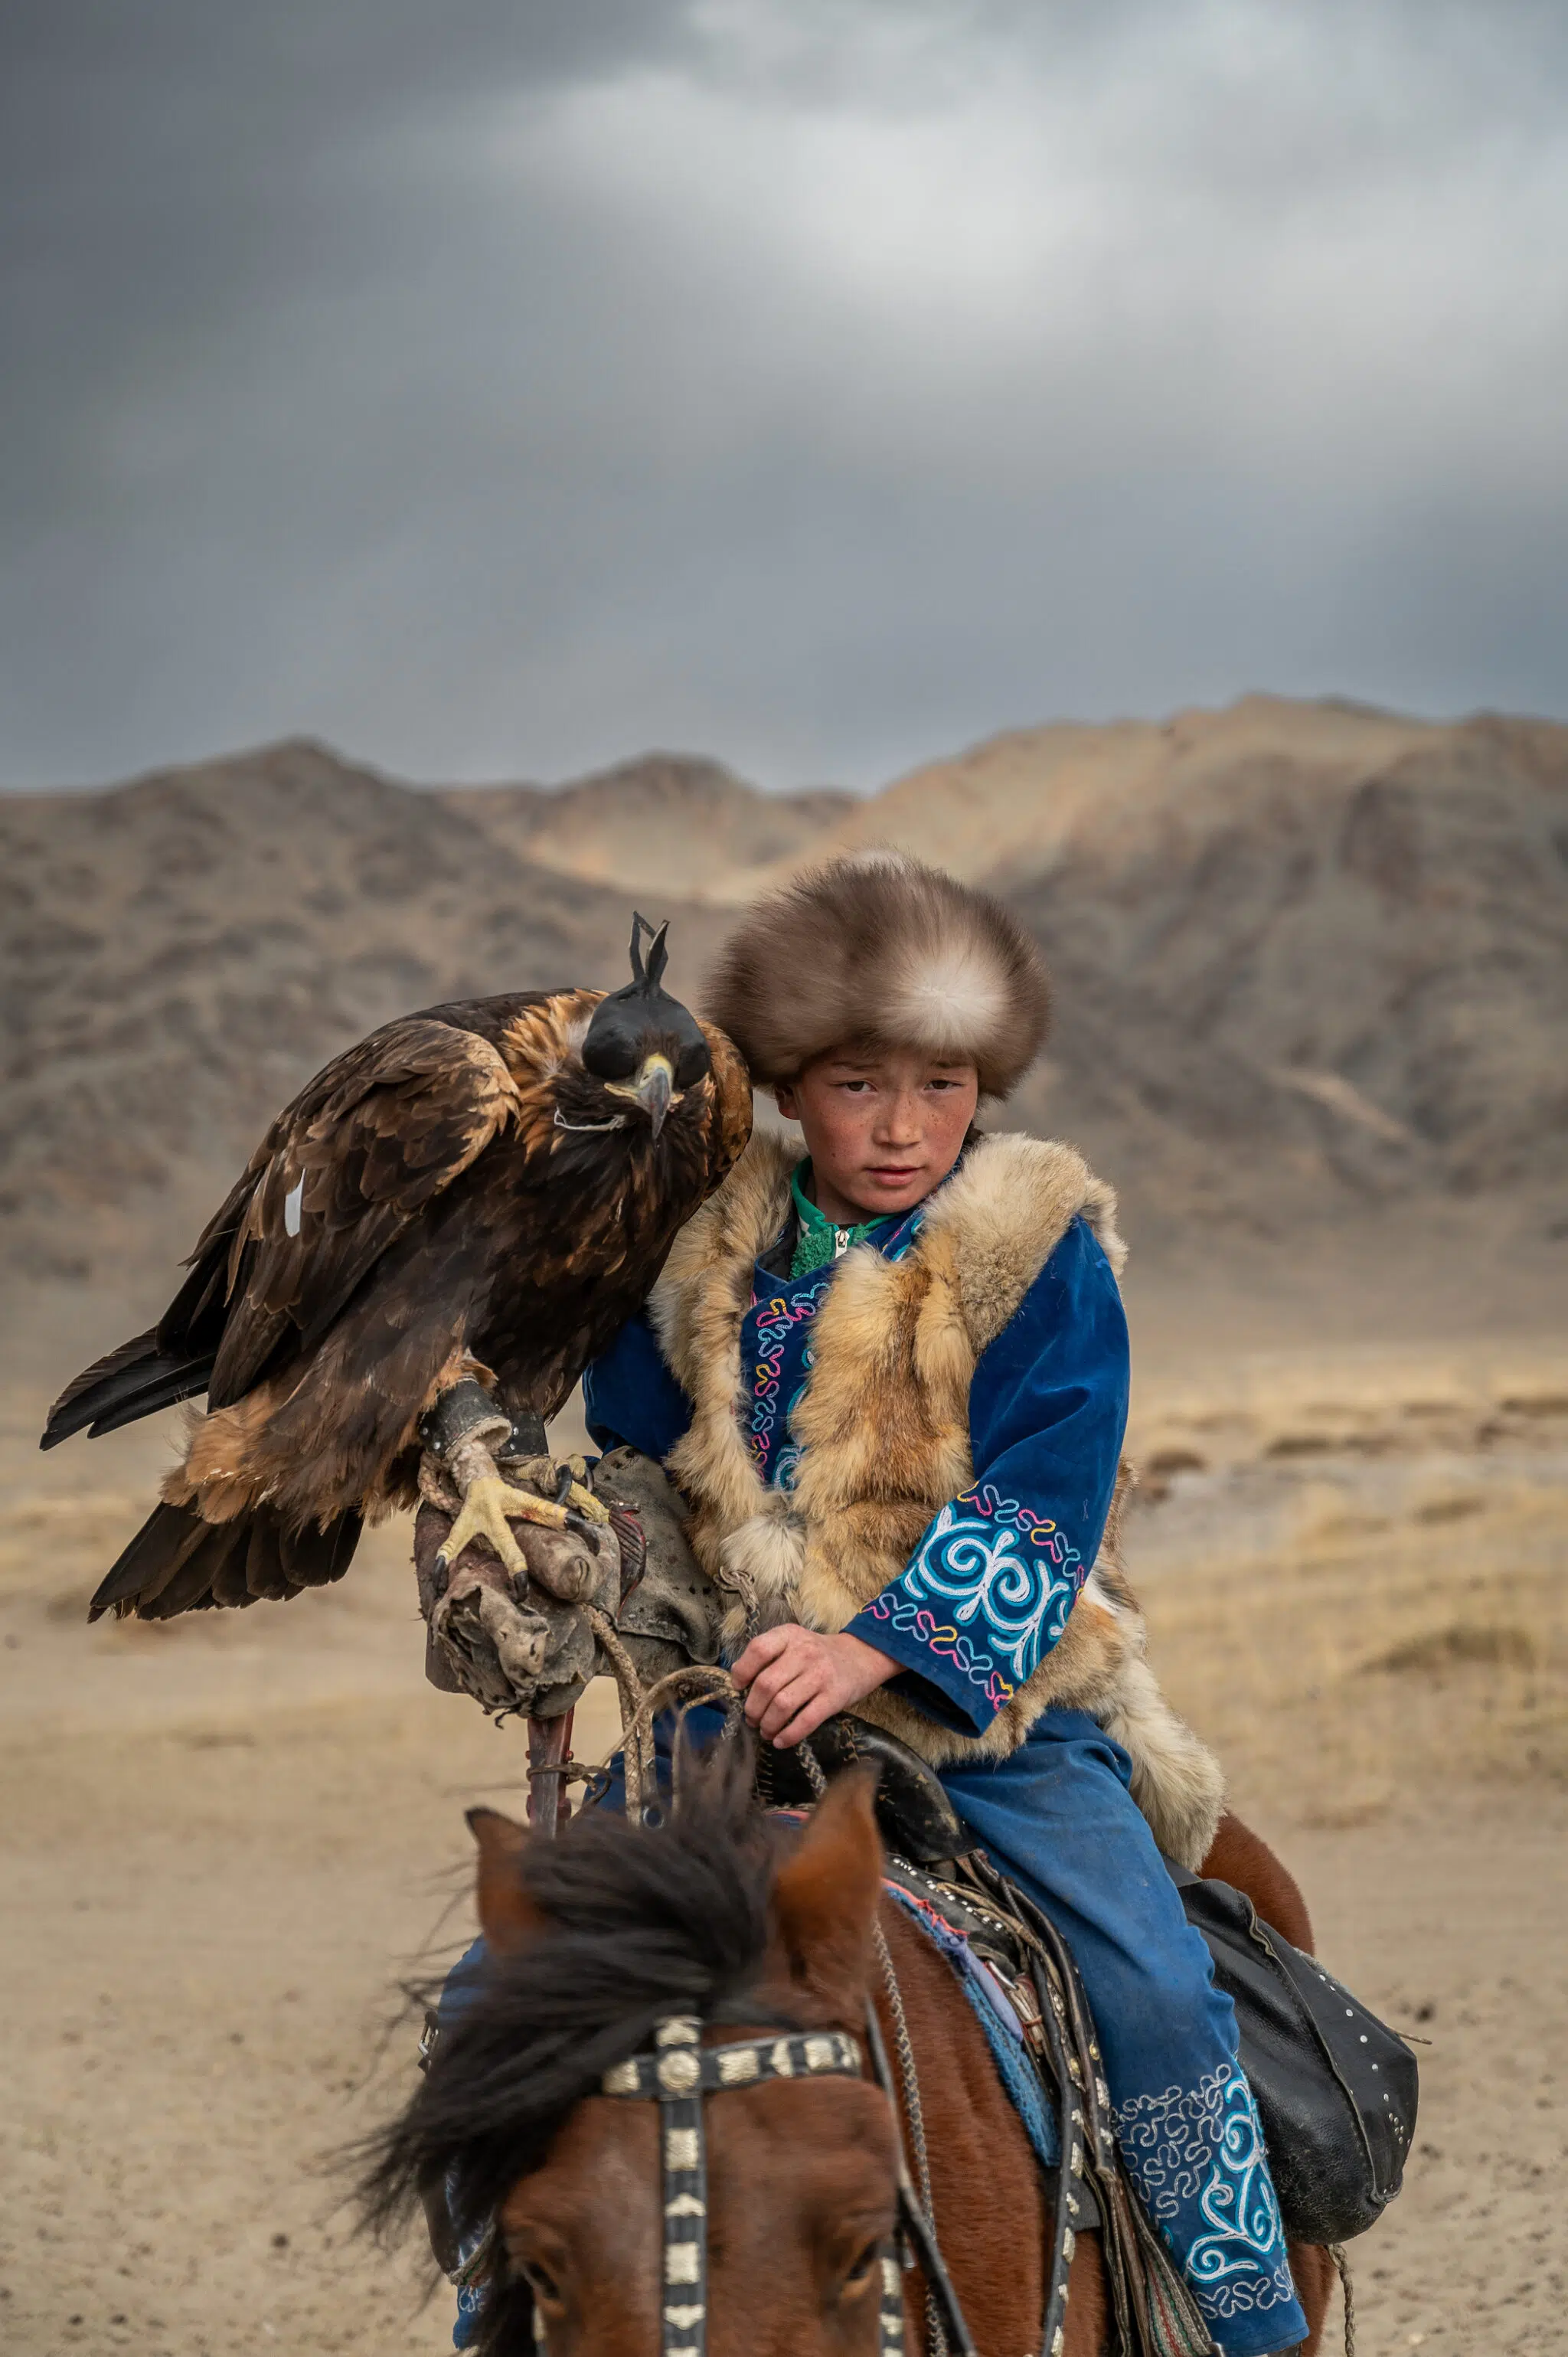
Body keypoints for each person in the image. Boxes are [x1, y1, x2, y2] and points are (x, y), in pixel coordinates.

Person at [450, 854, 1307, 2355]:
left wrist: (871, 1650)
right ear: (789, 1086)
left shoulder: (1033, 1249)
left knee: (1160, 1996)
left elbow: (1045, 1495)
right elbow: (644, 1464)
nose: (904, 1125)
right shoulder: (698, 1249)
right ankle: (500, 2307)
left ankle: (1246, 2320)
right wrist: (568, 1570)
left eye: (942, 1083)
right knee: (491, 1997)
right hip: (731, 1711)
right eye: (859, 1085)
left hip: (998, 1723)